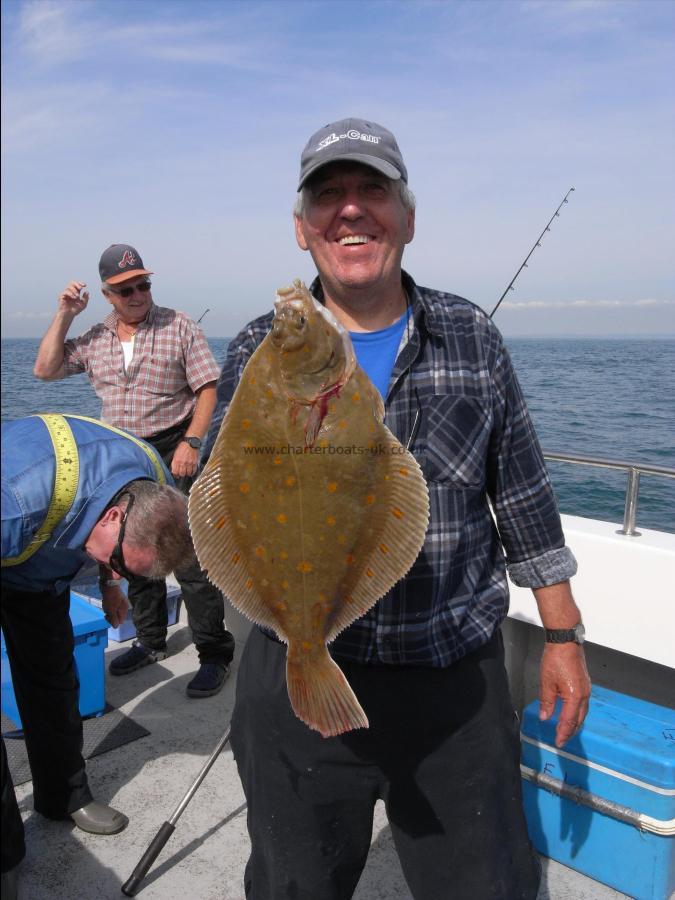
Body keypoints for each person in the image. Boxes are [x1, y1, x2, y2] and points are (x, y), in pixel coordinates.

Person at [204, 118, 592, 900]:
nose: (350, 210)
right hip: (293, 676)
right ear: (302, 230)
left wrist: (560, 634)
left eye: (371, 191)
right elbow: (221, 490)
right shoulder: (255, 350)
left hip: (450, 685)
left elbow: (520, 491)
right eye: (328, 196)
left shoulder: (469, 337)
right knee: (293, 885)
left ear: (407, 217)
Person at [1, 414, 194, 898]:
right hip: (13, 529)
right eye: (114, 563)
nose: (111, 569)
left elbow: (128, 548)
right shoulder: (12, 500)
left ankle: (63, 796)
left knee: (54, 682)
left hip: (39, 572)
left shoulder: (153, 477)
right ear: (111, 516)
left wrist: (112, 583)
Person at [34, 244, 235, 698]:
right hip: (123, 453)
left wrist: (193, 441)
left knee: (189, 556)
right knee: (131, 551)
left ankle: (214, 651)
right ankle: (150, 639)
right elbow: (45, 370)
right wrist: (65, 314)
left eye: (144, 284)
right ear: (108, 293)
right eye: (126, 288)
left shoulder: (179, 325)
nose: (138, 294)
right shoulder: (93, 338)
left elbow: (208, 388)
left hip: (176, 444)